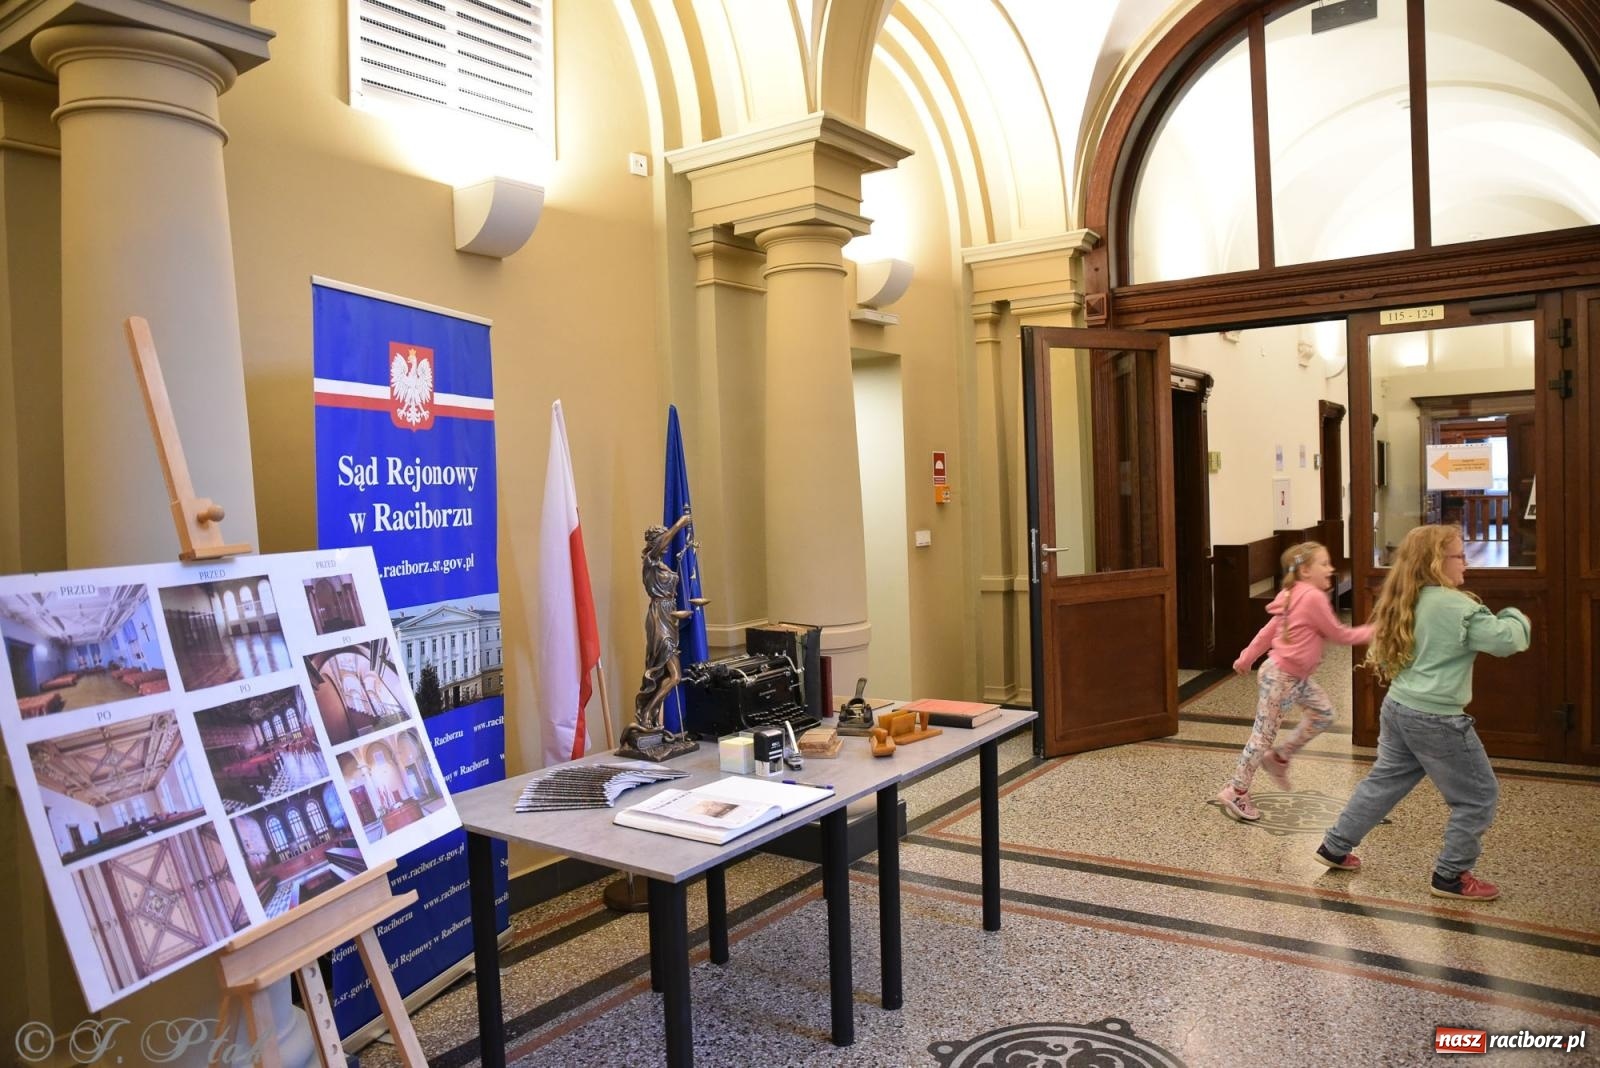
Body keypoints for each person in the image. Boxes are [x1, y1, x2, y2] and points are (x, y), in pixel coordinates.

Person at [1316, 524, 1530, 901]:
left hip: (1399, 707)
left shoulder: (1406, 597)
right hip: (1438, 719)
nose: (1467, 562)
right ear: (1435, 562)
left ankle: (1335, 846)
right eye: (1460, 555)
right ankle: (1451, 875)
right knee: (1477, 796)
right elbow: (1506, 641)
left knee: (1383, 781)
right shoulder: (1457, 606)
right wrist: (1515, 614)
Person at [1217, 541, 1373, 822]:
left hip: (1294, 678)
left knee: (1324, 714)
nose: (1331, 568)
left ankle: (1280, 758)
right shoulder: (1311, 597)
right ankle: (1236, 790)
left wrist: (1246, 657)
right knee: (1262, 736)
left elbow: (1268, 632)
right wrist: (1376, 631)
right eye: (1324, 564)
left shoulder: (1294, 593)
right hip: (1281, 677)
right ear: (1304, 570)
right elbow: (1340, 635)